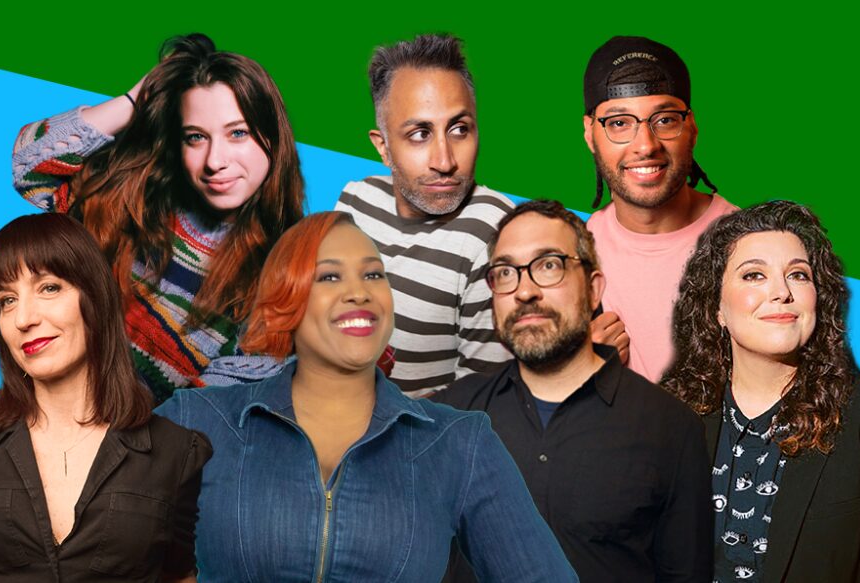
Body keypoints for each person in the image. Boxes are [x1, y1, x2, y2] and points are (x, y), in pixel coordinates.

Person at [156, 211, 578, 582]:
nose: (360, 292)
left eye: (373, 274)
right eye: (330, 275)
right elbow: (98, 541)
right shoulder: (198, 420)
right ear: (289, 298)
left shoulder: (459, 444)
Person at [12, 33, 304, 403]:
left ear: (273, 138)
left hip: (133, 450)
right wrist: (133, 102)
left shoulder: (282, 275)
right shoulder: (128, 202)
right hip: (29, 419)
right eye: (195, 137)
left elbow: (208, 414)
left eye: (238, 133)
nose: (215, 161)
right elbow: (29, 168)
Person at [436, 200, 712, 582]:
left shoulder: (673, 428)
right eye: (505, 272)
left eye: (548, 265)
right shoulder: (448, 417)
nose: (525, 291)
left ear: (593, 288)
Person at [0, 214, 211, 582]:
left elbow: (180, 573)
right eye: (6, 300)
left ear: (95, 298)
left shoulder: (175, 454)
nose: (23, 318)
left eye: (49, 288)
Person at [661, 201, 860, 583]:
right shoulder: (667, 413)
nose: (782, 292)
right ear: (717, 307)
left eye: (799, 275)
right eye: (754, 275)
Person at [334, 34, 514, 395]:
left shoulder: (496, 233)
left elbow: (480, 405)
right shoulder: (356, 200)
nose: (445, 161)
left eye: (460, 129)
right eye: (419, 134)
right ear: (383, 147)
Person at [582, 36, 737, 382]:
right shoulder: (573, 254)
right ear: (590, 134)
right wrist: (572, 372)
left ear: (692, 127)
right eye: (619, 123)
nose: (645, 145)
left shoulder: (752, 244)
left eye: (664, 120)